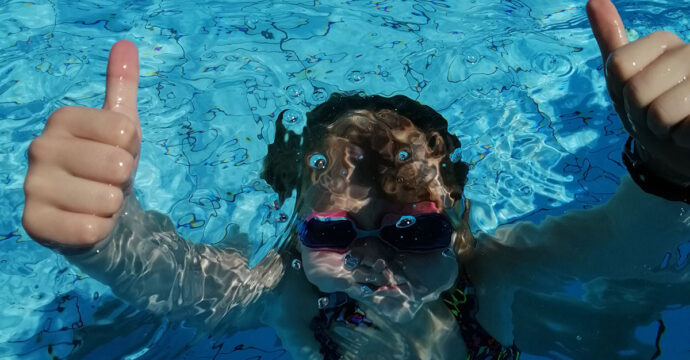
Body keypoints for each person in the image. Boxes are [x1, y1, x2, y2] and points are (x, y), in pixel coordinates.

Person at [21, 0, 690, 359]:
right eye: (334, 230)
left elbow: (616, 244)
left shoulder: (493, 273)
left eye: (416, 229)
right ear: (293, 229)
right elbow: (172, 276)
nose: (375, 261)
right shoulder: (282, 291)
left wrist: (667, 170)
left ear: (456, 223)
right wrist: (105, 237)